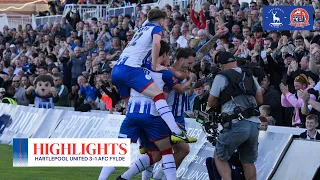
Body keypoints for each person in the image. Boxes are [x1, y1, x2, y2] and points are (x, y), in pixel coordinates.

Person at [111, 8, 196, 143]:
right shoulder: (157, 29)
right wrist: (155, 64)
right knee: (158, 95)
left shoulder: (141, 29)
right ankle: (175, 130)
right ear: (161, 20)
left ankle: (138, 138)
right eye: (166, 20)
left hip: (116, 69)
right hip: (130, 69)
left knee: (129, 106)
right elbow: (157, 43)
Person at [99, 41, 179, 180]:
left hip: (132, 115)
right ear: (164, 55)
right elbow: (180, 87)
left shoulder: (136, 68)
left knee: (120, 152)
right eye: (168, 56)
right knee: (166, 152)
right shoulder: (165, 73)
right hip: (153, 116)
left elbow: (124, 89)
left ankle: (108, 178)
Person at [207, 51, 263, 180]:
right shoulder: (249, 75)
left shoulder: (222, 76)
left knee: (219, 157)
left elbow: (211, 101)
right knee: (248, 161)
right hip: (254, 123)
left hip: (235, 123)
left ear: (222, 65)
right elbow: (260, 99)